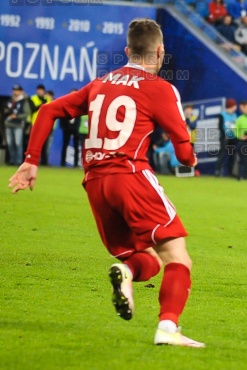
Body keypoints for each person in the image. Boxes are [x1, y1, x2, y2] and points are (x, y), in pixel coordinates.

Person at [8, 18, 204, 347]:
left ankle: (126, 274)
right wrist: (191, 158)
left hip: (96, 183)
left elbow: (47, 113)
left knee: (149, 259)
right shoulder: (161, 89)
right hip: (130, 177)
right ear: (160, 52)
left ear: (127, 50)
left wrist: (30, 160)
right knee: (178, 257)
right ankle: (168, 328)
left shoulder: (100, 84)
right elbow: (184, 154)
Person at [4, 84, 31, 165]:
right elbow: (6, 110)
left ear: (21, 91)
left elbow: (27, 113)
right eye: (14, 90)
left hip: (18, 125)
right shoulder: (11, 100)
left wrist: (17, 116)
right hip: (9, 124)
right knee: (10, 143)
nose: (15, 92)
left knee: (18, 143)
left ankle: (18, 161)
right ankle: (12, 160)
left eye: (17, 90)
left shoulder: (24, 101)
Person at [28, 84, 53, 165]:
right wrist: (42, 104)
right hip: (35, 124)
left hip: (46, 124)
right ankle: (33, 161)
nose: (40, 91)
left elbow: (52, 110)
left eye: (41, 90)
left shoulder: (48, 99)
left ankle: (44, 162)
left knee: (45, 144)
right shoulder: (33, 98)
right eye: (39, 90)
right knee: (35, 143)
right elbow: (33, 109)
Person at [216, 98, 238, 177]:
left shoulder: (235, 115)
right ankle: (218, 171)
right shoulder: (222, 115)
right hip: (225, 138)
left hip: (233, 138)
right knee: (222, 155)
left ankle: (230, 172)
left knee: (232, 155)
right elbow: (220, 126)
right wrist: (224, 135)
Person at [59, 89, 81, 167]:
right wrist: (64, 127)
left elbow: (79, 118)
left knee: (76, 146)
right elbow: (62, 117)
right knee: (65, 145)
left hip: (75, 128)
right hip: (67, 128)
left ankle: (75, 164)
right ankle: (62, 163)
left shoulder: (80, 105)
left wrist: (76, 127)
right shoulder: (65, 104)